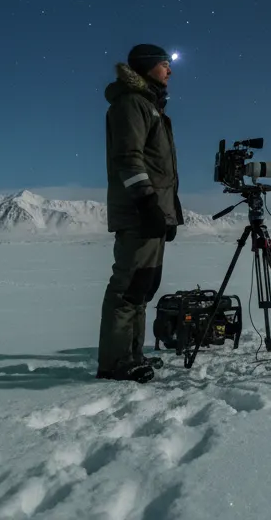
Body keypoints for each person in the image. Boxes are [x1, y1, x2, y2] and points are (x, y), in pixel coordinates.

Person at [97, 43, 184, 382]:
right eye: (165, 64)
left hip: (153, 213)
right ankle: (115, 362)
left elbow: (160, 170)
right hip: (138, 213)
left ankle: (133, 354)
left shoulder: (150, 107)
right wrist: (147, 203)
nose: (170, 70)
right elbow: (129, 159)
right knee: (127, 287)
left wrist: (169, 212)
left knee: (143, 287)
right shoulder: (133, 104)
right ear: (148, 67)